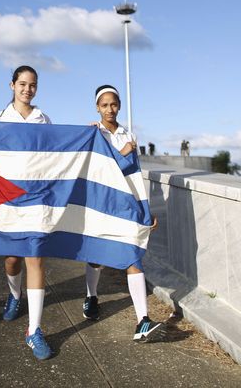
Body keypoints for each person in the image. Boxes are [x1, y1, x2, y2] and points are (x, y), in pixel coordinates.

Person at [83, 84, 163, 341]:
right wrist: (122, 152)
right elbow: (99, 171)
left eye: (114, 104)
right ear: (97, 107)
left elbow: (135, 177)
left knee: (132, 257)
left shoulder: (130, 135)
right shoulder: (93, 134)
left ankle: (143, 320)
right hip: (101, 203)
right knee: (96, 256)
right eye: (104, 105)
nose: (110, 109)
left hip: (127, 205)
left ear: (119, 105)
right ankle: (91, 297)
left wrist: (144, 209)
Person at [0, 65, 53, 360]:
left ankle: (34, 331)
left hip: (37, 197)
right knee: (13, 259)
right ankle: (15, 295)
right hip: (9, 198)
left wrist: (87, 135)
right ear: (12, 85)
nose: (27, 89)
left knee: (35, 257)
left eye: (33, 85)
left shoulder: (44, 119)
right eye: (23, 84)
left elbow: (59, 153)